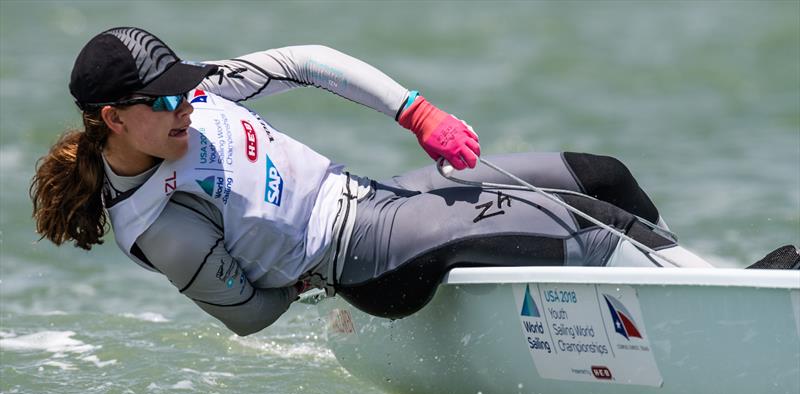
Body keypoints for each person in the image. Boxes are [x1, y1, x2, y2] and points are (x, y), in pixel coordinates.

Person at [30, 27, 710, 336]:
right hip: (367, 257)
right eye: (166, 102)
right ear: (114, 119)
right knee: (584, 233)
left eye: (183, 89)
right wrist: (298, 281)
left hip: (381, 195)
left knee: (600, 178)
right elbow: (249, 317)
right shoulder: (162, 227)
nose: (186, 106)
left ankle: (714, 286)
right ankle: (708, 327)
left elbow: (308, 61)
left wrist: (416, 112)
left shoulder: (196, 96)